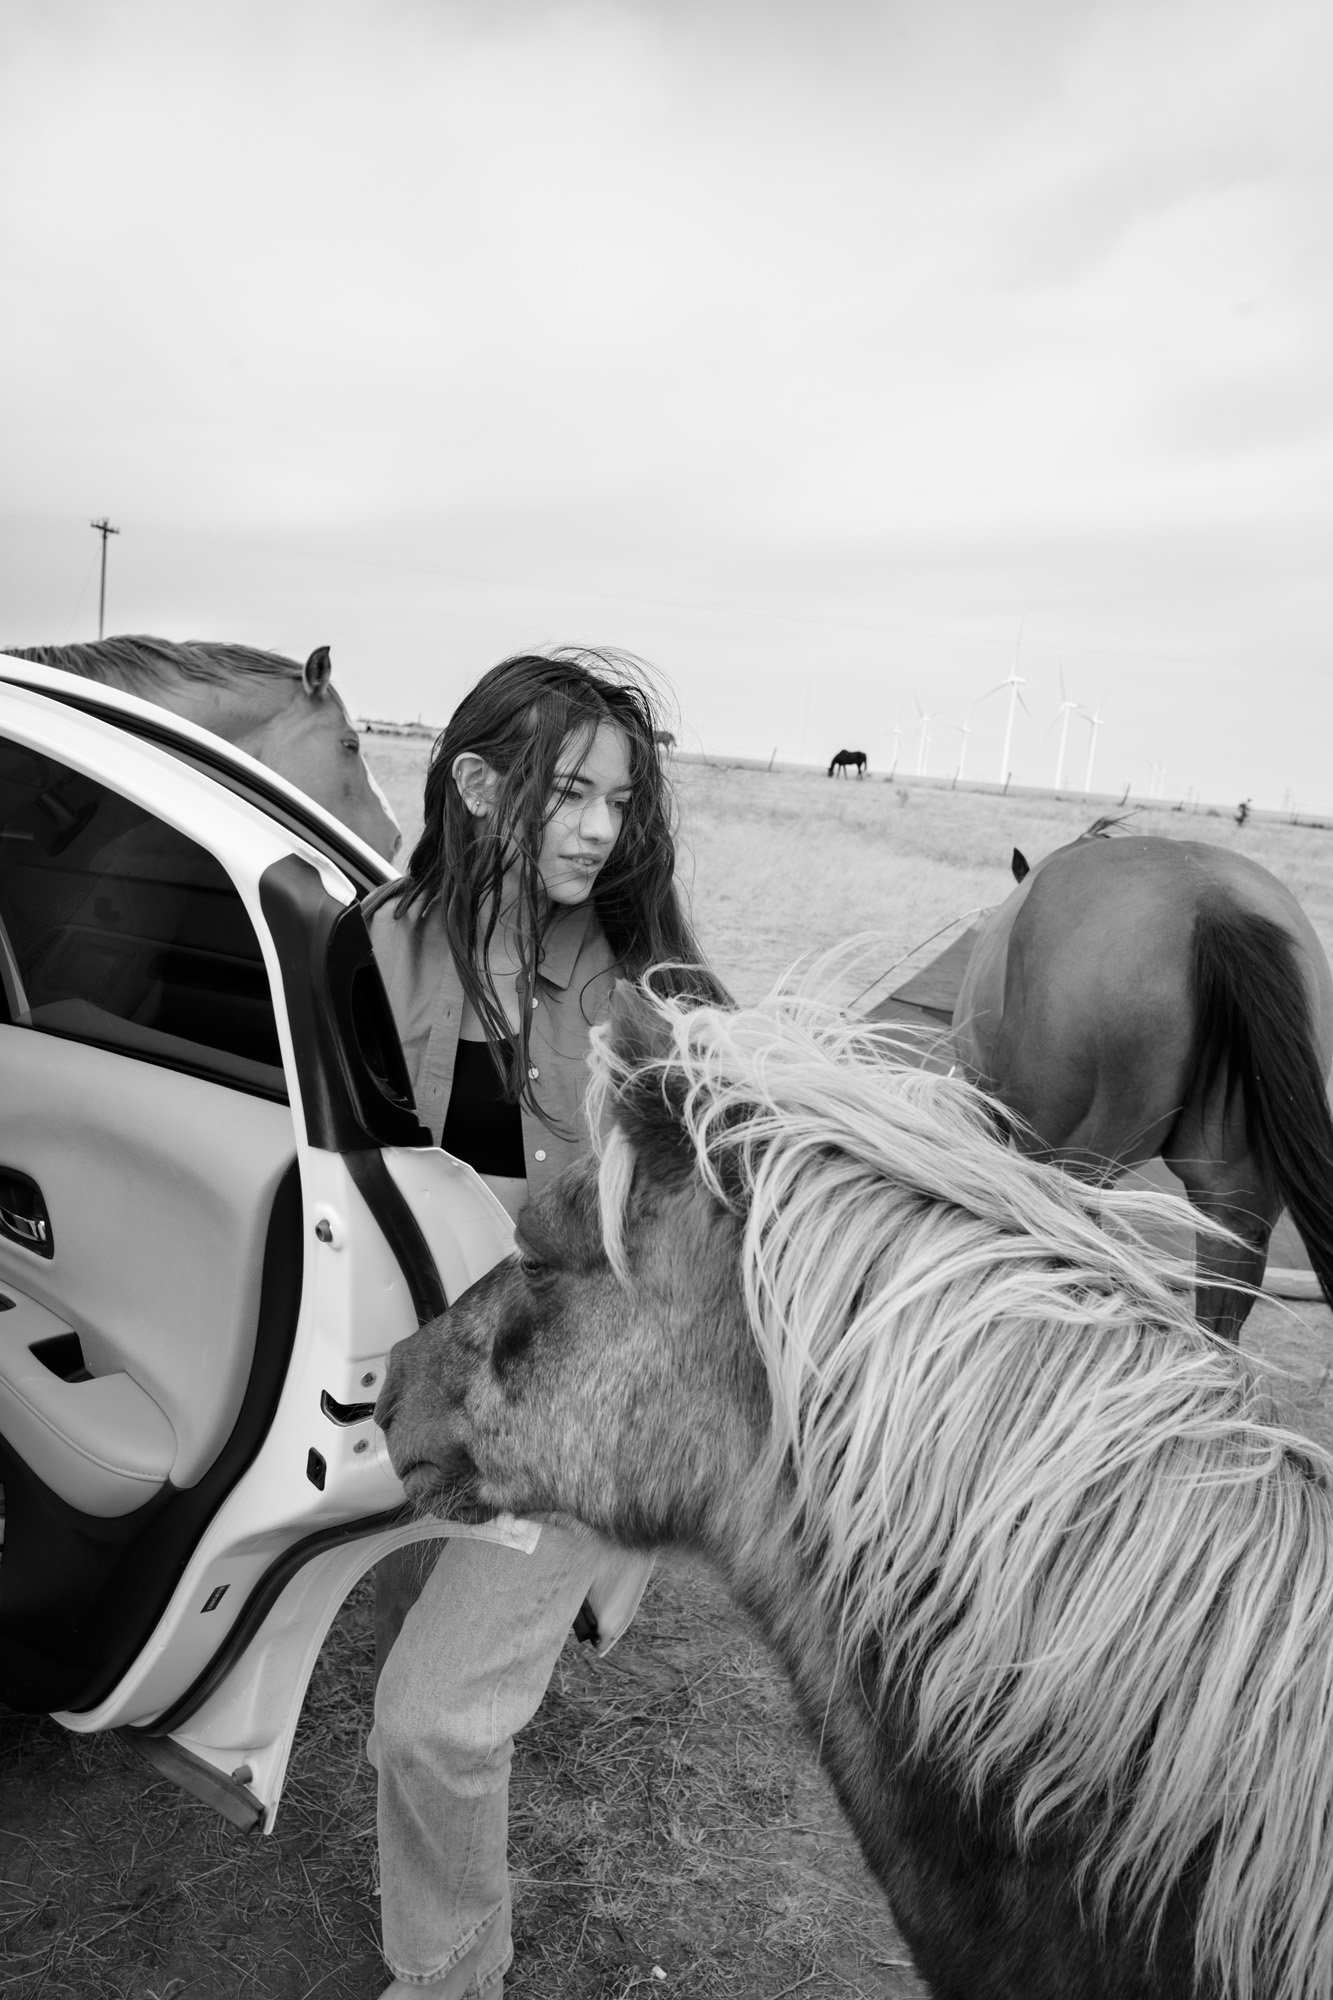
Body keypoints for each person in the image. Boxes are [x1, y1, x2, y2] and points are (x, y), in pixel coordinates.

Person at [364, 649, 725, 1999]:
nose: (597, 828)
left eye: (617, 800)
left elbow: (701, 1221)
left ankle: (450, 1974)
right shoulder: (371, 947)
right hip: (442, 1374)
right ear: (473, 785)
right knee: (416, 1601)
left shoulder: (653, 985)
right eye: (567, 792)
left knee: (428, 1722)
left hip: (583, 1394)